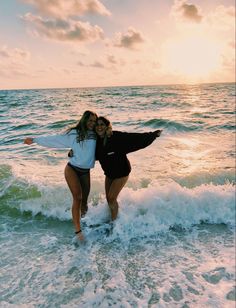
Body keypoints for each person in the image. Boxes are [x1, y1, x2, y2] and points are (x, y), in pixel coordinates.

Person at [24, 110, 98, 242]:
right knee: (78, 197)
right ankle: (78, 231)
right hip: (72, 169)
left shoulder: (96, 134)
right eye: (90, 120)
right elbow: (55, 139)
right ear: (84, 120)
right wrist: (35, 140)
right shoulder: (74, 133)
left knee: (84, 201)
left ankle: (84, 222)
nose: (92, 123)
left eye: (94, 121)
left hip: (85, 171)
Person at [95, 116, 162, 221]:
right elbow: (86, 152)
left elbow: (133, 138)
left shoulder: (115, 137)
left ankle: (114, 223)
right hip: (109, 173)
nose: (99, 127)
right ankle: (113, 217)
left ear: (107, 126)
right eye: (97, 125)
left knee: (112, 198)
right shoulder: (95, 141)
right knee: (109, 199)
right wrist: (73, 153)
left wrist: (152, 135)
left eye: (102, 124)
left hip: (122, 172)